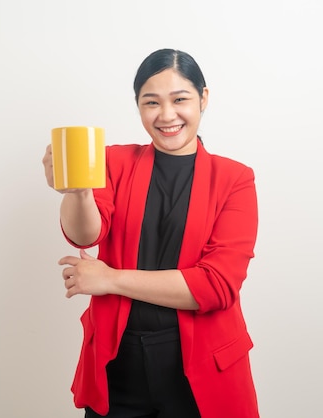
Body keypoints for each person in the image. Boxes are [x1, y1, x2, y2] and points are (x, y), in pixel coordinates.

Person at [42, 48, 260, 418]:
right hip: (118, 363)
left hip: (201, 367)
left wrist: (110, 279)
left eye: (180, 99)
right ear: (138, 106)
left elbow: (216, 287)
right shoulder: (114, 161)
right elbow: (84, 236)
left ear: (203, 99)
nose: (166, 115)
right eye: (151, 102)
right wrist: (76, 191)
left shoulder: (235, 179)